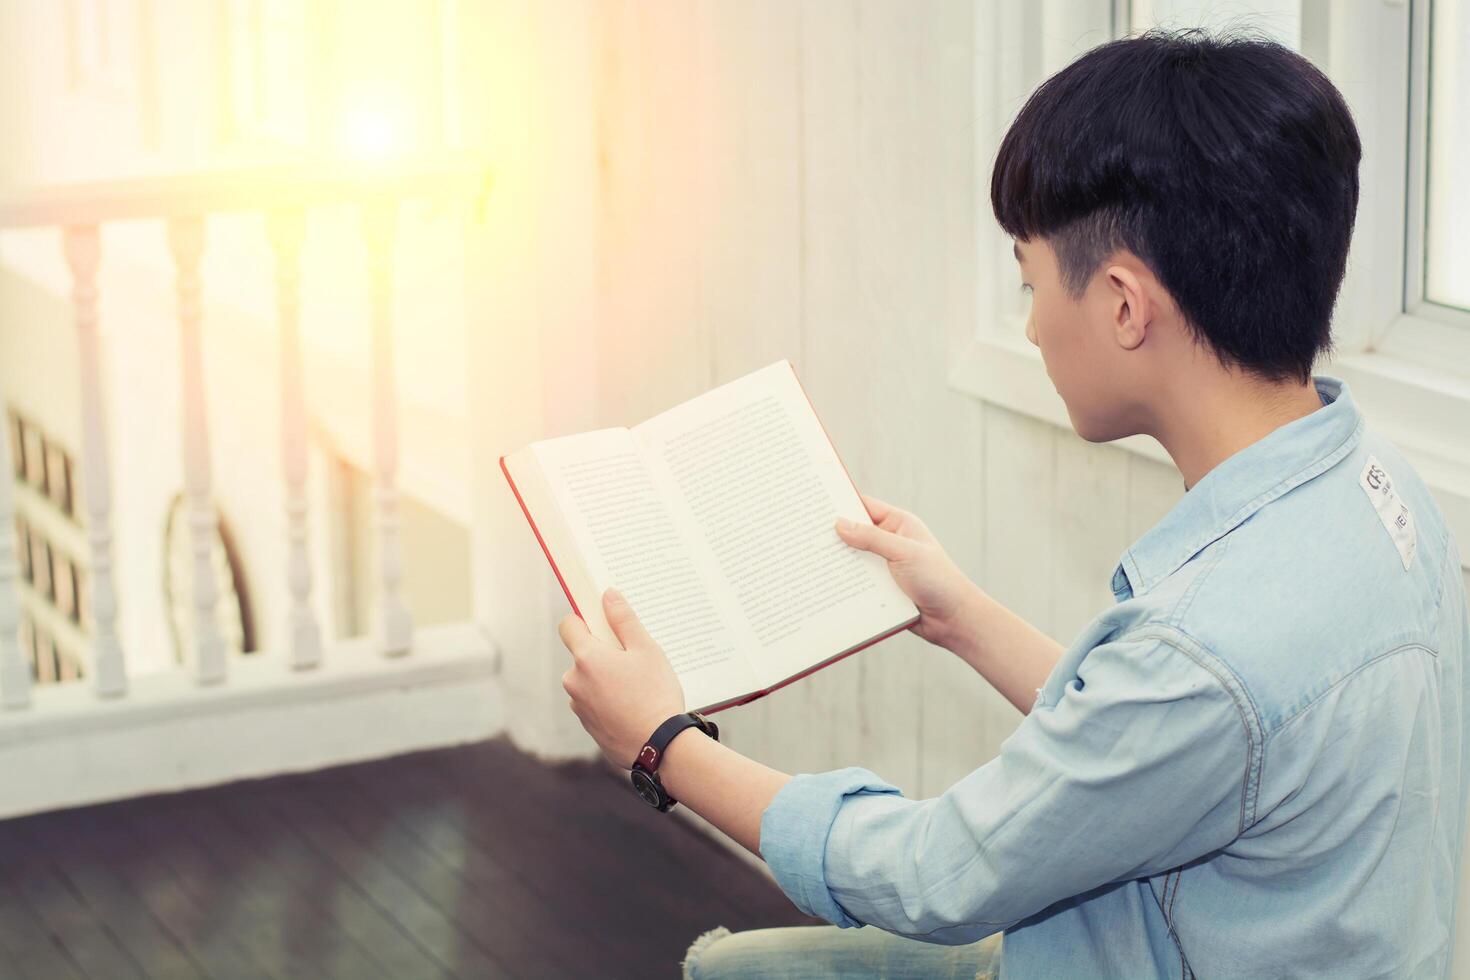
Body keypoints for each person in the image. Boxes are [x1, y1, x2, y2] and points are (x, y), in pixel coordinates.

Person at [556, 26, 1470, 979]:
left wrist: (661, 744)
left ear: (1125, 305)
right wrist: (963, 617)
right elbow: (1174, 750)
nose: (1031, 326)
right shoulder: (1377, 485)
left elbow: (935, 876)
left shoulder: (1205, 653)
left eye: (1031, 284)